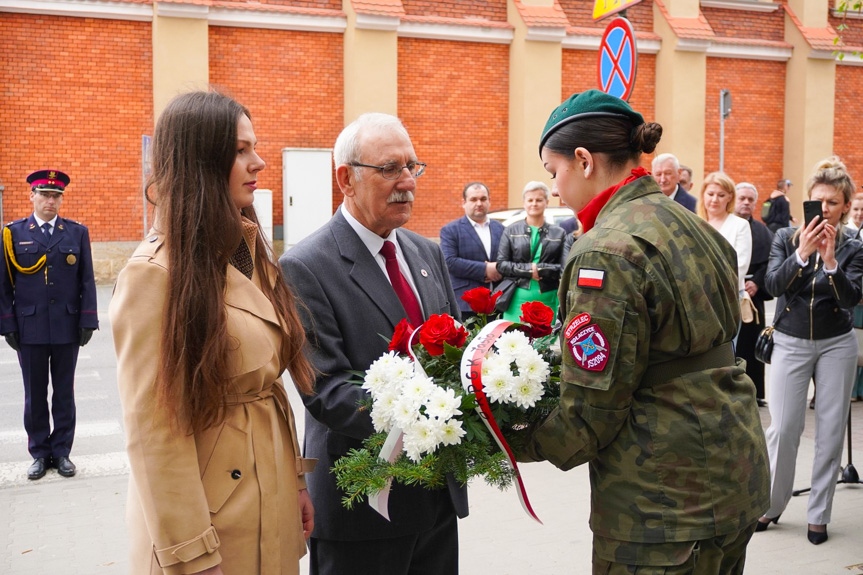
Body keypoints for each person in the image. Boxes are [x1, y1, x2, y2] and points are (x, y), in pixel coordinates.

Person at [518, 90, 769, 574]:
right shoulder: (696, 226)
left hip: (662, 501)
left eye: (554, 172)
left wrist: (503, 436)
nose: (553, 189)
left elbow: (590, 413)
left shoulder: (605, 250)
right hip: (734, 475)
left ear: (584, 160)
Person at [110, 91, 316, 574]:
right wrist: (193, 555)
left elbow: (270, 391)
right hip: (211, 524)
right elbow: (153, 433)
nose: (259, 162)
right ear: (200, 160)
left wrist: (299, 484)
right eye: (241, 150)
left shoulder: (245, 250)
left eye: (255, 147)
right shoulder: (154, 275)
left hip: (269, 503)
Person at [280, 113, 468, 575]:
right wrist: (421, 416)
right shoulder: (305, 266)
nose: (407, 182)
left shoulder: (424, 252)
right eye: (390, 169)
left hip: (436, 500)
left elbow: (454, 353)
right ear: (346, 178)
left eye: (412, 167)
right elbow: (325, 388)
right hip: (362, 510)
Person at [759, 157, 863, 545]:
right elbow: (771, 284)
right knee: (784, 427)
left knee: (831, 431)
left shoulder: (854, 245)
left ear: (845, 205)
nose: (824, 210)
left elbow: (853, 297)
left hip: (837, 342)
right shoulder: (786, 238)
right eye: (818, 201)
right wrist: (801, 255)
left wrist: (832, 262)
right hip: (791, 338)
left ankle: (819, 514)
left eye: (833, 203)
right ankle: (771, 503)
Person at [0, 169, 98, 481]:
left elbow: (87, 280)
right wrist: (8, 325)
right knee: (34, 394)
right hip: (29, 328)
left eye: (56, 196)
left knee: (64, 392)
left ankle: (63, 452)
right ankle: (40, 453)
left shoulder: (75, 233)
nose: (50, 201)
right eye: (44, 195)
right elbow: (4, 285)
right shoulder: (13, 233)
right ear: (32, 196)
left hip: (67, 325)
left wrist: (88, 319)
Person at [496, 181, 566, 322]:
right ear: (524, 203)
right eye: (530, 200)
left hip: (548, 300)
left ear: (547, 202)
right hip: (517, 301)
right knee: (514, 340)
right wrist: (528, 270)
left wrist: (540, 269)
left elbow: (564, 269)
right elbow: (501, 265)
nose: (534, 203)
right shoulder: (511, 230)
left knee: (545, 342)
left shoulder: (559, 233)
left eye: (539, 200)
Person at [697, 172, 752, 344]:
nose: (715, 200)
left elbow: (740, 266)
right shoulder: (694, 222)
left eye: (721, 195)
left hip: (727, 296)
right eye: (711, 194)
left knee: (725, 350)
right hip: (698, 296)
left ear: (729, 197)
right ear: (703, 195)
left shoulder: (740, 225)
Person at [734, 182, 775, 407]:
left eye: (750, 199)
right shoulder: (728, 225)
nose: (746, 203)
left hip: (753, 295)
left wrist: (757, 283)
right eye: (742, 198)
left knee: (752, 343)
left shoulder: (762, 231)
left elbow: (771, 261)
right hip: (731, 290)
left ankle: (756, 392)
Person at [439, 182, 504, 319]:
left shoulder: (501, 228)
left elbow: (509, 258)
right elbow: (449, 262)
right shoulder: (450, 230)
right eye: (473, 199)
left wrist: (499, 268)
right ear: (464, 202)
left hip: (497, 303)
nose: (479, 203)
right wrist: (485, 269)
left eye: (483, 199)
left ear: (489, 201)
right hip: (466, 305)